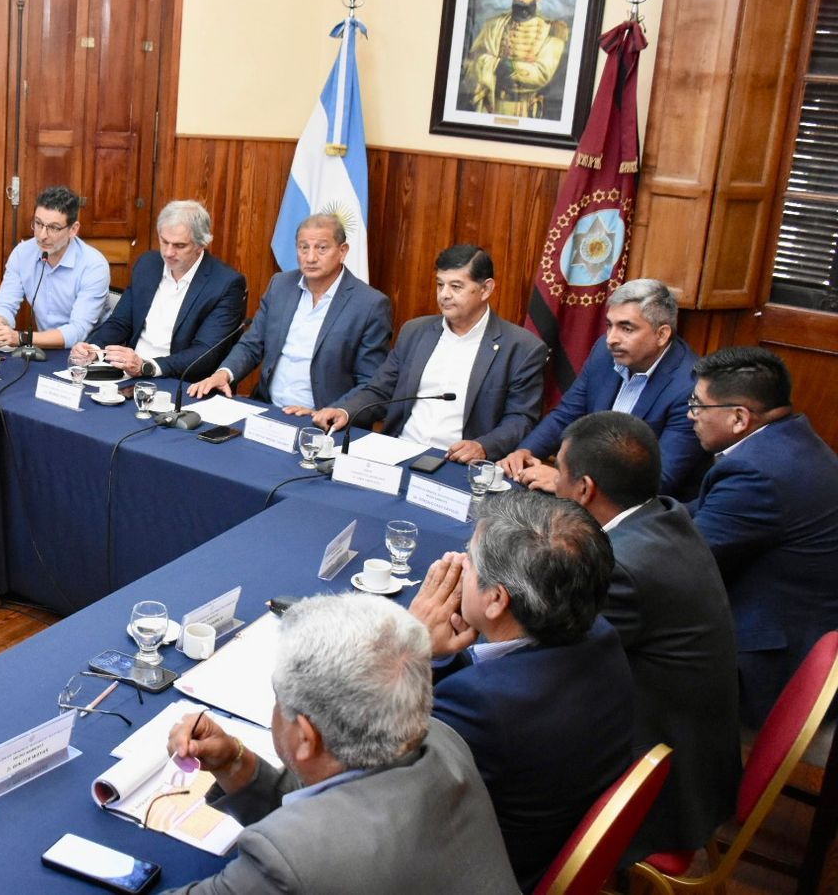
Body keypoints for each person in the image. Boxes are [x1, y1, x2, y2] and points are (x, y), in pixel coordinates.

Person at [163, 593, 517, 895]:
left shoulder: (289, 862)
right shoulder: (443, 740)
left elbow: (317, 843)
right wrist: (234, 763)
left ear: (305, 737)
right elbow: (335, 812)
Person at [410, 490, 634, 890]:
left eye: (470, 560)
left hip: (482, 872)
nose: (459, 564)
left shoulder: (485, 706)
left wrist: (412, 650)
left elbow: (387, 780)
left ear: (496, 599)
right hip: (551, 837)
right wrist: (441, 657)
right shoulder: (600, 635)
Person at [554, 411, 740, 857]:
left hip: (660, 786)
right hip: (691, 746)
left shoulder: (623, 566)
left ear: (584, 489)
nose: (553, 483)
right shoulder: (665, 515)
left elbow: (553, 660)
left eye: (557, 470)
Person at [686, 346, 838, 726]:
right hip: (801, 629)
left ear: (739, 417)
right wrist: (631, 512)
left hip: (764, 667)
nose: (691, 415)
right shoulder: (790, 441)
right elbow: (704, 511)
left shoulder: (756, 472)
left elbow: (685, 563)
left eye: (698, 405)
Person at [313, 244, 547, 463]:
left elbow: (520, 418)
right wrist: (345, 411)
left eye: (456, 287)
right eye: (440, 284)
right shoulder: (415, 332)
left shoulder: (521, 348)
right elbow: (381, 390)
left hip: (458, 463)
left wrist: (483, 446)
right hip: (397, 451)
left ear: (486, 289)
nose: (444, 294)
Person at [501, 279, 706, 498]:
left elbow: (661, 480)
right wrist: (526, 451)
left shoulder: (689, 386)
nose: (611, 339)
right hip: (585, 488)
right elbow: (567, 414)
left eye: (626, 328)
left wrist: (567, 482)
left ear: (662, 334)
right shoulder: (605, 352)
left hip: (641, 509)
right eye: (609, 325)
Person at [187, 214, 390, 414]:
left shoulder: (369, 304)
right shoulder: (280, 285)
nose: (310, 258)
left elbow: (371, 383)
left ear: (342, 251)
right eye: (304, 247)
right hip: (266, 408)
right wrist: (224, 374)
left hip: (319, 420)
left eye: (322, 248)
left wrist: (332, 412)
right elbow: (252, 344)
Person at [68, 200, 245, 380]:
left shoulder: (225, 284)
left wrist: (147, 367)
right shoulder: (148, 264)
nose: (168, 252)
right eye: (164, 241)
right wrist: (94, 350)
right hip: (129, 375)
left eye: (179, 246)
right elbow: (120, 322)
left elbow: (205, 352)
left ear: (201, 245)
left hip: (179, 381)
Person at [0, 186, 109, 352]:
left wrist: (21, 338)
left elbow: (78, 331)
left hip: (86, 353)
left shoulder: (94, 265)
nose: (42, 235)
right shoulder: (22, 253)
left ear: (73, 229)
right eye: (38, 224)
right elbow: (6, 304)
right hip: (43, 348)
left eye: (54, 228)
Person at [462, 0, 568, 118]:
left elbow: (542, 74)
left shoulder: (552, 30)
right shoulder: (493, 26)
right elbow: (471, 62)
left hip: (525, 110)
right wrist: (495, 64)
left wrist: (505, 66)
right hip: (491, 106)